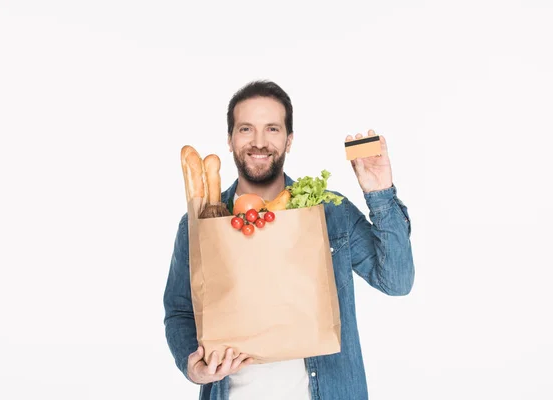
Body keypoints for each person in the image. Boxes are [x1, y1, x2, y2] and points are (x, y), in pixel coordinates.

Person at [163, 80, 415, 400]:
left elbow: (397, 281)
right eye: (245, 129)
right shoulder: (199, 225)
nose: (259, 142)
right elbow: (179, 312)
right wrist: (192, 366)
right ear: (229, 139)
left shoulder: (329, 210)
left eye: (272, 129)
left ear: (289, 139)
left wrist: (380, 192)